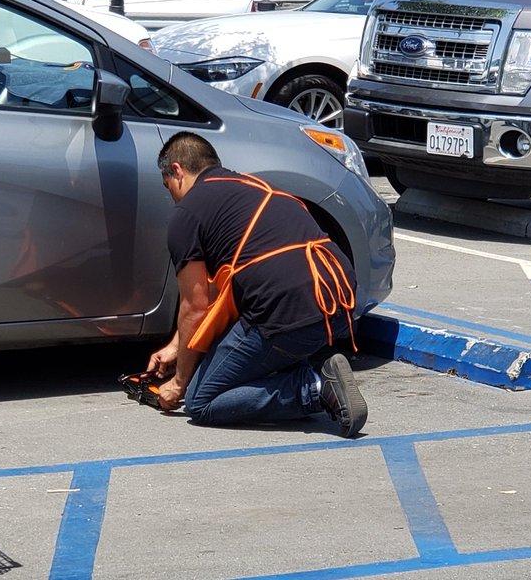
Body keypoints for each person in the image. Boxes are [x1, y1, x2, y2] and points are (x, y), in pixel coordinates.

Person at [146, 132, 368, 437]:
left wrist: (179, 382)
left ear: (177, 170)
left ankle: (315, 388)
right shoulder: (255, 186)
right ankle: (310, 372)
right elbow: (213, 294)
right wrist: (176, 346)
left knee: (201, 400)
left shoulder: (186, 214)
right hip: (338, 300)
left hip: (287, 313)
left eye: (167, 185)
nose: (170, 194)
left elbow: (194, 307)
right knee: (245, 359)